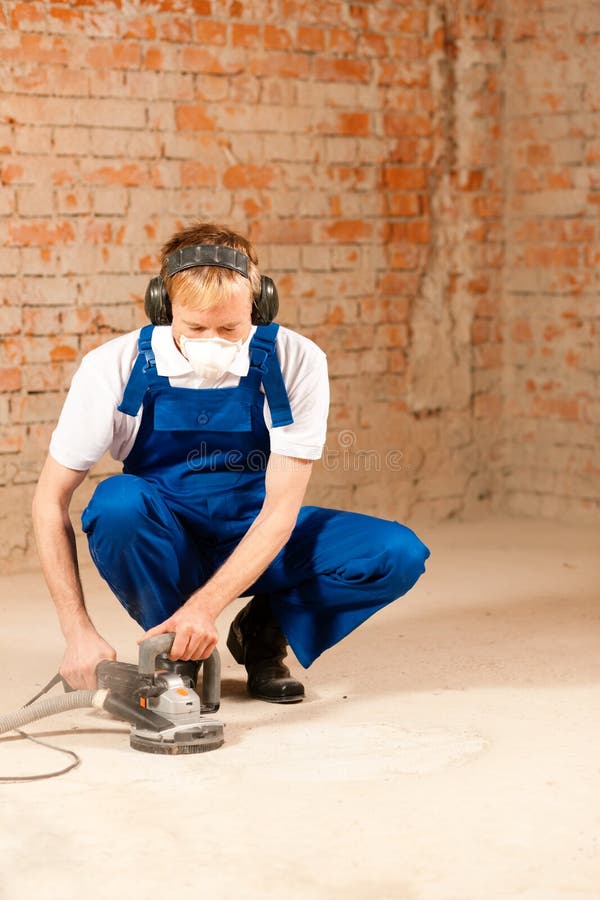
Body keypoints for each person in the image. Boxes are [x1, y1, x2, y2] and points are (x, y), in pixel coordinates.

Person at [32, 222, 431, 703]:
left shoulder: (296, 361)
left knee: (395, 554)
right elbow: (49, 500)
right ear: (163, 307)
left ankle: (261, 632)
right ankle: (176, 654)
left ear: (258, 308)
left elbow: (281, 509)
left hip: (257, 529)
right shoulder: (112, 368)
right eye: (195, 327)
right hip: (167, 537)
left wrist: (209, 607)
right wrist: (77, 632)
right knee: (117, 506)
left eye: (229, 328)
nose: (212, 342)